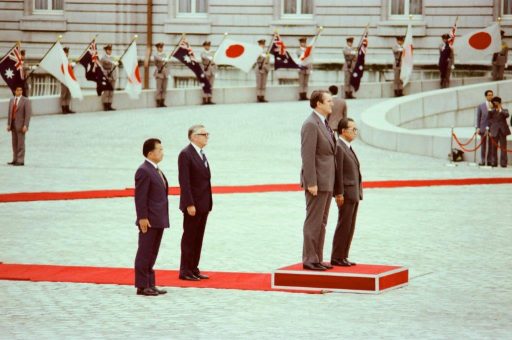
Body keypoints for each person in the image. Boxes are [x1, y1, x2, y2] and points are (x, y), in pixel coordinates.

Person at [300, 90, 336, 271]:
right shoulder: (310, 124)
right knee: (313, 221)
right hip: (317, 182)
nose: (332, 104)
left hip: (327, 180)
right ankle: (309, 259)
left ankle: (317, 258)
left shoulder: (324, 123)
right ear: (318, 104)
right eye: (329, 101)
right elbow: (307, 156)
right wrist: (311, 182)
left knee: (322, 221)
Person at [134, 138, 169, 296]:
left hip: (158, 219)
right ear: (150, 153)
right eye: (159, 150)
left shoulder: (155, 169)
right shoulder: (144, 170)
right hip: (148, 220)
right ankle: (142, 286)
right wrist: (142, 217)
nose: (162, 152)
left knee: (152, 252)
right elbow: (140, 197)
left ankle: (150, 283)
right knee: (145, 252)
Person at [178, 125, 213, 281]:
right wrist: (189, 204)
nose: (206, 136)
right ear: (193, 137)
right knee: (189, 237)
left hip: (204, 204)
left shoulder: (201, 154)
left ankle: (194, 268)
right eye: (203, 134)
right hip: (193, 205)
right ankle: (185, 270)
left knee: (198, 238)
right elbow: (184, 182)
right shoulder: (186, 154)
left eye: (207, 134)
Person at [331, 118, 362, 267]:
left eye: (356, 129)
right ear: (343, 131)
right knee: (344, 225)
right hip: (346, 194)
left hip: (354, 193)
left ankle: (343, 256)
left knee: (350, 225)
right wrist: (339, 193)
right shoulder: (339, 147)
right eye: (353, 129)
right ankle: (337, 256)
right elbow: (338, 173)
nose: (355, 132)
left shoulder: (347, 147)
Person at [6, 86, 31, 166]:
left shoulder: (25, 101)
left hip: (21, 125)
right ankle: (15, 159)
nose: (19, 91)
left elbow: (28, 114)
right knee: (14, 143)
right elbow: (10, 113)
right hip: (13, 124)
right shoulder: (12, 100)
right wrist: (9, 124)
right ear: (14, 91)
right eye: (18, 90)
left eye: (21, 90)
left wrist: (26, 125)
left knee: (21, 143)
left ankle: (20, 160)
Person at [488, 96, 510, 168]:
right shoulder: (491, 111)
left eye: (495, 102)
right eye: (493, 103)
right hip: (494, 131)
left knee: (503, 148)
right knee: (493, 148)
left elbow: (507, 115)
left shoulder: (505, 110)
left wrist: (500, 108)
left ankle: (503, 163)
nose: (494, 104)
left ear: (499, 102)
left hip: (503, 131)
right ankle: (494, 162)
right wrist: (489, 129)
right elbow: (489, 120)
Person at [476, 90, 494, 166]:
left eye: (491, 95)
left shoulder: (495, 105)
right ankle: (483, 160)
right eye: (489, 95)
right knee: (483, 145)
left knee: (491, 145)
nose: (490, 96)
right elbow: (478, 117)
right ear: (486, 96)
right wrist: (478, 127)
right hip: (483, 127)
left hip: (492, 128)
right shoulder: (481, 106)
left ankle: (489, 161)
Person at [101, 44, 118, 111]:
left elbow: (114, 66)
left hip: (113, 76)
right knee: (106, 92)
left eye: (110, 50)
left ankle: (109, 105)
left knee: (111, 92)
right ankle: (105, 105)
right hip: (107, 76)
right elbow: (104, 66)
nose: (110, 51)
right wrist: (112, 63)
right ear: (106, 50)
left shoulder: (113, 57)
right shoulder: (103, 58)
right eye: (108, 50)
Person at [152, 42, 170, 108]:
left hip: (165, 73)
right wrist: (164, 59)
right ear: (157, 48)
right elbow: (158, 59)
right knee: (159, 88)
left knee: (164, 88)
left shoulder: (165, 54)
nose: (161, 49)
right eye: (159, 47)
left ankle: (163, 102)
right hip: (159, 72)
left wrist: (168, 72)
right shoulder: (156, 55)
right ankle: (158, 102)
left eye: (161, 47)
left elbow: (167, 65)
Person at [201, 40, 217, 105]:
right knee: (205, 85)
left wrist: (216, 70)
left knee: (211, 85)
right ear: (204, 46)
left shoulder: (212, 53)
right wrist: (209, 57)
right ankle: (204, 99)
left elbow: (215, 61)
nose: (207, 47)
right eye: (206, 45)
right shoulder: (203, 53)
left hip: (212, 70)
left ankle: (210, 98)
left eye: (208, 45)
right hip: (206, 70)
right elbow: (203, 57)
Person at [60, 47, 75, 114]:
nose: (66, 53)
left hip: (69, 80)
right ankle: (63, 109)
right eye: (65, 52)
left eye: (67, 52)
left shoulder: (68, 60)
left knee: (68, 94)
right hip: (64, 79)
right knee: (64, 94)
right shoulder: (61, 60)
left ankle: (67, 107)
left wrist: (72, 66)